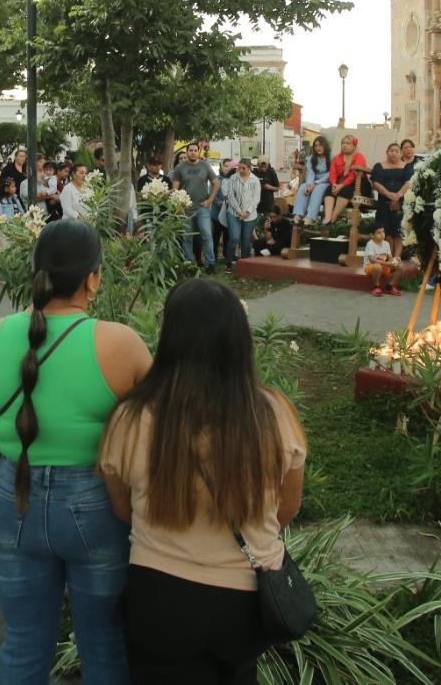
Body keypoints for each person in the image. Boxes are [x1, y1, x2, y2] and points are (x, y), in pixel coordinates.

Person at [0, 220, 152, 685]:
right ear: (93, 278)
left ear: (35, 271)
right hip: (96, 502)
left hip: (9, 497)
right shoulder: (120, 343)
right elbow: (153, 434)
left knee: (23, 642)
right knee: (104, 643)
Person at [99, 278, 306, 684]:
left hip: (159, 598)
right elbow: (288, 507)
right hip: (246, 602)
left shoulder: (131, 418)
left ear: (170, 338)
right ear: (241, 341)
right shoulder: (274, 414)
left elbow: (122, 506)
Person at [172, 143, 221, 272]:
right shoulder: (179, 168)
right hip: (186, 208)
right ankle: (188, 264)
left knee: (207, 235)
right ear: (187, 152)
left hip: (202, 207)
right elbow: (175, 189)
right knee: (187, 237)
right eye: (190, 151)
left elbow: (216, 184)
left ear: (198, 152)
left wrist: (210, 200)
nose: (193, 152)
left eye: (195, 150)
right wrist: (178, 205)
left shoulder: (205, 166)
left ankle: (210, 263)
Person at [369, 143, 412, 259]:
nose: (393, 153)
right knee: (386, 230)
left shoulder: (407, 166)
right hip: (384, 200)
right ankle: (389, 256)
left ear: (400, 153)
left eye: (396, 151)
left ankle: (397, 257)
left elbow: (409, 183)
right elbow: (376, 183)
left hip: (402, 201)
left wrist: (398, 195)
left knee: (399, 230)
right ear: (386, 152)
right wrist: (389, 194)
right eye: (391, 150)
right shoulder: (379, 166)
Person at [221, 159, 260, 270]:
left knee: (246, 239)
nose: (241, 170)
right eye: (239, 168)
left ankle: (245, 264)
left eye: (244, 168)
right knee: (234, 237)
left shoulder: (255, 180)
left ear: (249, 168)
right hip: (234, 213)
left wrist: (247, 212)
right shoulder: (233, 178)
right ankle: (228, 262)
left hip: (250, 214)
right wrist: (239, 211)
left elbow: (256, 198)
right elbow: (230, 197)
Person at [321, 136, 368, 224]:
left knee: (345, 190)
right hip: (340, 182)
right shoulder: (337, 158)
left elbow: (354, 175)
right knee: (329, 189)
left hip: (359, 183)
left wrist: (341, 186)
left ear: (354, 146)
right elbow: (332, 173)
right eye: (343, 143)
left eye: (348, 143)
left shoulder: (359, 157)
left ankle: (334, 217)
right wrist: (334, 184)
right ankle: (328, 217)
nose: (344, 145)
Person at [291, 136, 331, 224]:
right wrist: (309, 185)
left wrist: (315, 184)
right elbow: (311, 173)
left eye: (320, 145)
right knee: (302, 187)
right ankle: (298, 214)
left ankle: (311, 216)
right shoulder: (311, 158)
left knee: (317, 189)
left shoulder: (332, 157)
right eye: (316, 146)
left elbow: (331, 174)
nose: (318, 148)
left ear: (325, 146)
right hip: (313, 181)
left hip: (326, 182)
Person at [363, 230, 400, 296]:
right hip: (371, 267)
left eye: (383, 232)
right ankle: (376, 287)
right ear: (372, 235)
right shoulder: (370, 244)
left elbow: (390, 258)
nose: (382, 234)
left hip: (383, 267)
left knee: (400, 265)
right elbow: (372, 260)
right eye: (379, 233)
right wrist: (387, 263)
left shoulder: (386, 244)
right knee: (377, 266)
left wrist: (395, 259)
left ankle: (389, 287)